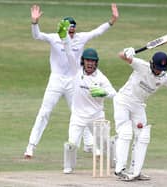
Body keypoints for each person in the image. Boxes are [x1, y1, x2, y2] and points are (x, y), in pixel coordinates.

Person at [24, 3, 119, 158]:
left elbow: (97, 32)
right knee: (44, 112)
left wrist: (112, 20)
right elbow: (37, 36)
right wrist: (34, 22)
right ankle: (31, 146)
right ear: (65, 30)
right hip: (56, 79)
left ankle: (90, 145)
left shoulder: (81, 38)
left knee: (80, 112)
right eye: (69, 31)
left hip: (74, 80)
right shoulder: (55, 38)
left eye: (73, 31)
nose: (72, 34)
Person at [113, 47, 167, 181]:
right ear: (152, 64)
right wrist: (127, 52)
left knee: (143, 136)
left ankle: (136, 171)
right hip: (123, 100)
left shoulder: (164, 77)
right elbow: (120, 55)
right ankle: (119, 170)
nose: (159, 71)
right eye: (157, 68)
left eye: (162, 69)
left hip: (138, 105)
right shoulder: (142, 66)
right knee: (125, 133)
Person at [57, 20, 117, 174]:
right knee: (71, 144)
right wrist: (64, 38)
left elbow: (113, 93)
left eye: (93, 61)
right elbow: (69, 53)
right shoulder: (76, 70)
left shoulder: (101, 78)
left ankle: (114, 161)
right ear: (83, 61)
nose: (90, 64)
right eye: (87, 60)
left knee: (104, 143)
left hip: (96, 116)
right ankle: (68, 166)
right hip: (78, 115)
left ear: (96, 63)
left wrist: (103, 92)